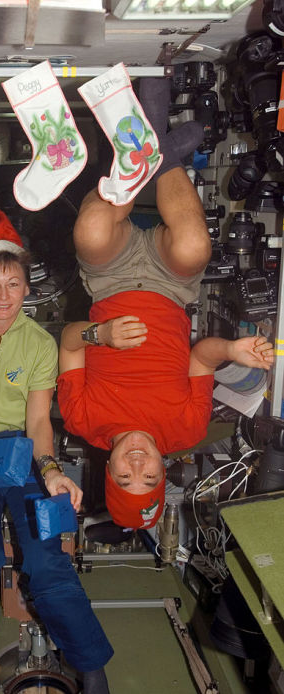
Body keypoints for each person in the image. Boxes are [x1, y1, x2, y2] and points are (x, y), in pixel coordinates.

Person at [58, 76, 274, 530]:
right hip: (173, 288)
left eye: (124, 475)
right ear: (164, 472)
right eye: (149, 476)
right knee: (196, 245)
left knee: (90, 232)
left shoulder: (81, 420)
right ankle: (154, 143)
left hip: (109, 280)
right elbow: (200, 356)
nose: (137, 464)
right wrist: (232, 351)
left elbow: (68, 343)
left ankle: (156, 145)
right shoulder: (188, 430)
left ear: (108, 473)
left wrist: (101, 335)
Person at [0, 199, 113, 694]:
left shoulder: (39, 344)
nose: (3, 295)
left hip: (23, 453)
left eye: (13, 284)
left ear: (26, 288)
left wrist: (52, 470)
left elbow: (38, 419)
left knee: (46, 560)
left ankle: (91, 668)